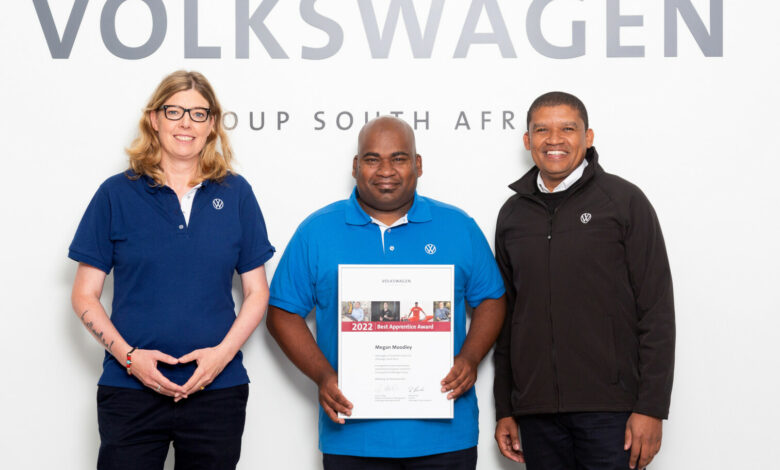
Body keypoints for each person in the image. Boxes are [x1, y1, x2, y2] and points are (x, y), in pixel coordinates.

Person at [266, 116, 506, 469]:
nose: (386, 170)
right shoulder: (317, 231)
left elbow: (492, 299)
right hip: (352, 436)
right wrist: (323, 375)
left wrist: (469, 358)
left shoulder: (458, 227)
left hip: (446, 436)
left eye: (399, 158)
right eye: (372, 159)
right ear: (355, 166)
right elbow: (282, 312)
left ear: (418, 164)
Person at [69, 70, 274, 470]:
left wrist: (220, 359)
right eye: (174, 111)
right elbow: (83, 295)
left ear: (212, 124)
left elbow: (257, 292)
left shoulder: (236, 193)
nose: (186, 123)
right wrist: (130, 359)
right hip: (129, 390)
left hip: (218, 391)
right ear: (154, 119)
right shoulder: (115, 194)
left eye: (198, 114)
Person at [493, 92, 675, 470]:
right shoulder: (513, 214)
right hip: (536, 412)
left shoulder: (623, 202)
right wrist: (506, 408)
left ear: (588, 137)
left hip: (611, 412)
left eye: (567, 129)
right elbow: (507, 319)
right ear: (527, 140)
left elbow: (656, 311)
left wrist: (652, 407)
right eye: (541, 130)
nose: (554, 140)